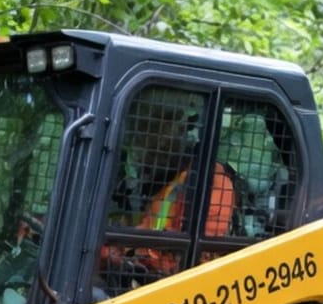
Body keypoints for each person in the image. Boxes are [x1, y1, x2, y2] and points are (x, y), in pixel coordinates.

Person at [97, 97, 237, 289]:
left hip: (178, 290)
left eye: (148, 150)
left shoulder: (213, 183)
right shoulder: (165, 184)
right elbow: (144, 229)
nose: (143, 159)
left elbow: (199, 256)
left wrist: (137, 254)